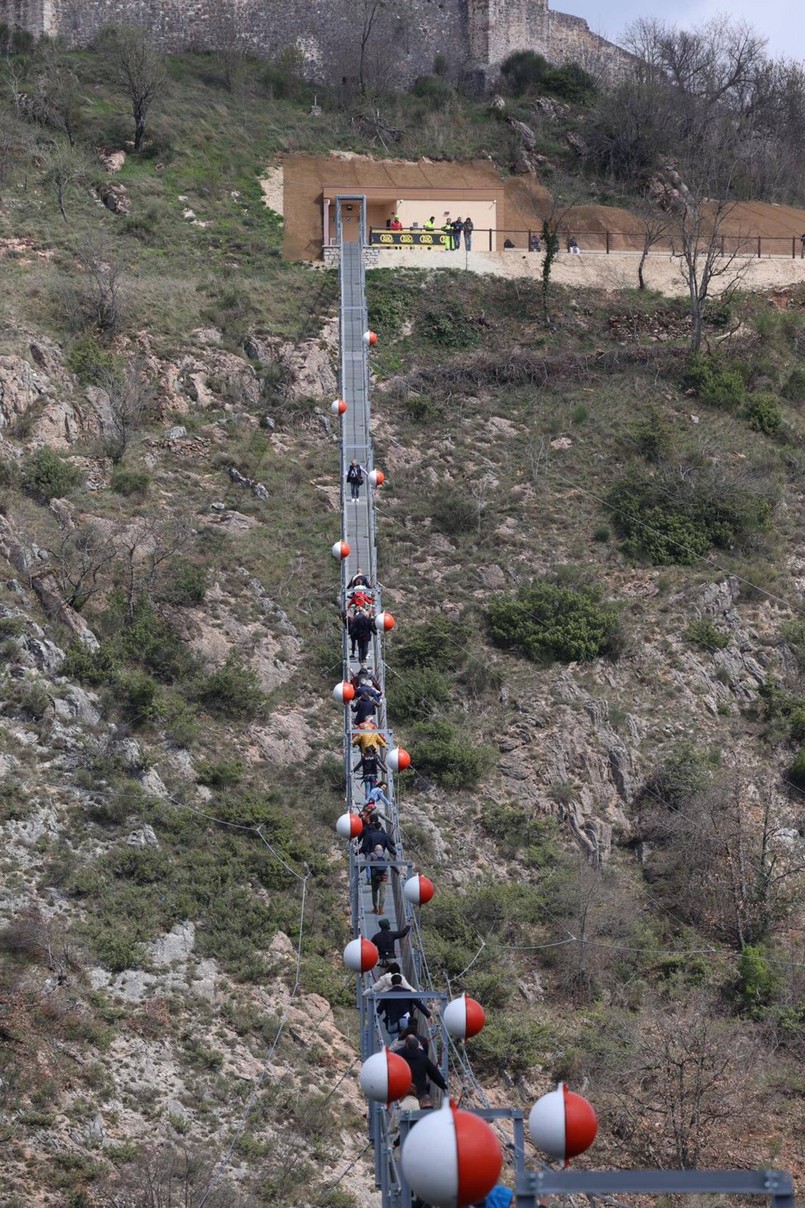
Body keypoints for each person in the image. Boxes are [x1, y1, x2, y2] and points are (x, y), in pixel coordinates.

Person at [398, 1033, 447, 1098]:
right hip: (419, 1090)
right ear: (418, 1045)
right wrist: (443, 1085)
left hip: (403, 1089)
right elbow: (433, 1072)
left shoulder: (399, 1056)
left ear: (406, 1045)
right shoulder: (423, 1057)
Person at [368, 843, 389, 913]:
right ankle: (381, 909)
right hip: (384, 875)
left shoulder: (372, 854)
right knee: (382, 892)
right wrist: (397, 872)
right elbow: (393, 864)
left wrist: (358, 871)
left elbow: (365, 863)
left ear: (375, 849)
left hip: (375, 876)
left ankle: (375, 908)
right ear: (382, 849)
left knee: (374, 891)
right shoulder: (386, 855)